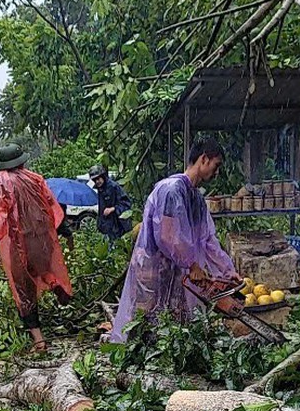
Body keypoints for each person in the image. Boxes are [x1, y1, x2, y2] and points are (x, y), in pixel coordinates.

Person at [109, 138, 236, 342]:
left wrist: (227, 271)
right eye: (216, 165)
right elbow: (168, 237)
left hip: (178, 271)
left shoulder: (196, 199)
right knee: (148, 322)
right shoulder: (171, 190)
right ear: (204, 159)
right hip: (155, 267)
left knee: (173, 324)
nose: (217, 172)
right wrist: (192, 264)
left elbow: (207, 240)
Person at [0, 144, 73, 354]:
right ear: (21, 161)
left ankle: (39, 341)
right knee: (43, 269)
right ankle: (53, 282)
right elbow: (51, 206)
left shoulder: (0, 183)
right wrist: (64, 233)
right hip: (41, 239)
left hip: (17, 242)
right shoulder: (35, 179)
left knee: (24, 290)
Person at [90, 163, 132, 241]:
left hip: (118, 228)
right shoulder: (100, 190)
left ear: (103, 176)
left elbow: (126, 204)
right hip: (107, 228)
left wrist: (113, 209)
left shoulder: (113, 187)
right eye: (95, 180)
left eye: (98, 179)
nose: (97, 181)